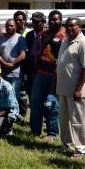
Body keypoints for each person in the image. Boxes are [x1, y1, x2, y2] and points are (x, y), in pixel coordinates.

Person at [54, 16, 85, 159]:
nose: (69, 28)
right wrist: (55, 85)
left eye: (72, 25)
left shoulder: (83, 43)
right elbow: (59, 65)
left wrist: (79, 89)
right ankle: (67, 144)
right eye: (67, 25)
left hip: (76, 90)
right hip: (63, 88)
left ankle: (82, 149)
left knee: (78, 120)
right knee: (64, 119)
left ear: (80, 27)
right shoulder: (65, 41)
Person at [30, 10, 67, 140]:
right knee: (35, 101)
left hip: (55, 76)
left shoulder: (66, 35)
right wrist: (35, 72)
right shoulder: (45, 34)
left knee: (53, 105)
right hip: (41, 72)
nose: (53, 21)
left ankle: (52, 134)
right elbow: (39, 54)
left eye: (55, 19)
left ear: (61, 20)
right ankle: (35, 130)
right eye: (51, 19)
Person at [0, 19, 26, 99]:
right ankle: (3, 111)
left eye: (11, 25)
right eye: (7, 26)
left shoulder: (20, 39)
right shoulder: (0, 39)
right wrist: (4, 64)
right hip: (3, 72)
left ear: (15, 26)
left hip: (15, 73)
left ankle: (12, 111)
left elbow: (23, 55)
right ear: (5, 27)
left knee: (13, 96)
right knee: (2, 95)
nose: (9, 27)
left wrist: (11, 64)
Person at [23, 12, 46, 99]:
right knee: (30, 92)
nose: (35, 24)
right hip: (29, 70)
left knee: (42, 95)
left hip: (41, 70)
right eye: (33, 22)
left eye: (37, 22)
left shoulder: (47, 35)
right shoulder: (29, 35)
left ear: (43, 21)